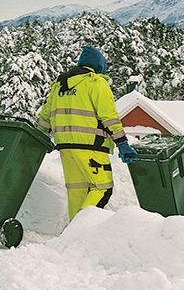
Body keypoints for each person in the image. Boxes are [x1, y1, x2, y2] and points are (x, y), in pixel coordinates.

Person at [35, 46, 137, 220]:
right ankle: (80, 229)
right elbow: (109, 117)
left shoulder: (59, 85)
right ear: (99, 66)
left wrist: (37, 137)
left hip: (66, 148)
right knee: (102, 188)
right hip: (92, 146)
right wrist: (122, 143)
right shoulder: (95, 82)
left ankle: (71, 238)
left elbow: (45, 117)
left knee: (77, 192)